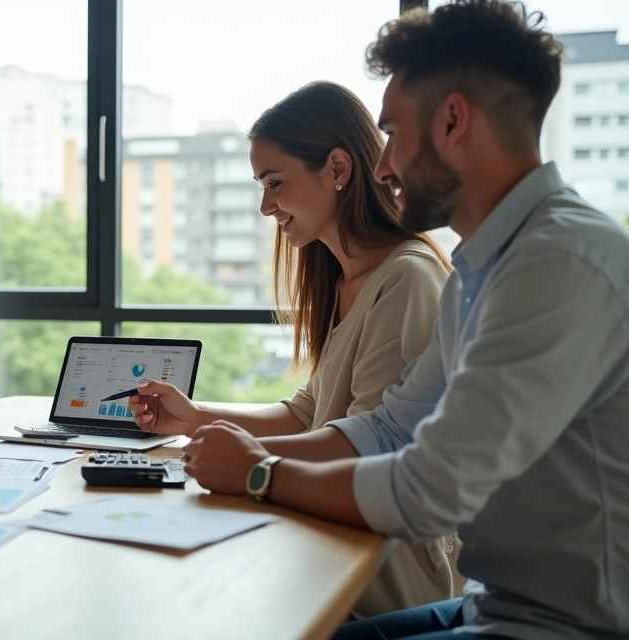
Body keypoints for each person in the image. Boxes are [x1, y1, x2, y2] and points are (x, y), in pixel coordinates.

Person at [175, 2, 629, 639]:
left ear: (452, 121)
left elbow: (427, 488)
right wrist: (230, 450)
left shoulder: (556, 264)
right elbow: (391, 427)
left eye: (392, 132)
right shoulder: (484, 270)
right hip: (494, 606)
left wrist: (258, 473)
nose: (382, 166)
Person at [129, 81, 456, 617]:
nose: (265, 207)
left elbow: (375, 443)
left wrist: (251, 465)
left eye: (275, 183)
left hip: (380, 570)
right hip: (329, 535)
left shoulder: (407, 278)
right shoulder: (345, 277)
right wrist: (194, 419)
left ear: (337, 169)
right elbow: (308, 413)